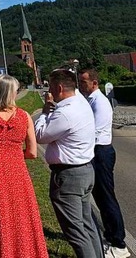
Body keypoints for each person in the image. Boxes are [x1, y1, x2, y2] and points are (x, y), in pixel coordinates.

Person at [0, 74, 48, 258]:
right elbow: (32, 152)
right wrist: (14, 155)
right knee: (22, 215)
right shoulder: (24, 116)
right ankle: (25, 251)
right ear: (11, 93)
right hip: (17, 170)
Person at [35, 69, 102, 258]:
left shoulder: (65, 112)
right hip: (85, 170)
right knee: (87, 224)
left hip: (68, 176)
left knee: (76, 232)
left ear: (58, 87)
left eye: (50, 86)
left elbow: (40, 135)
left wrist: (44, 112)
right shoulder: (81, 104)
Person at [78, 69, 130, 258]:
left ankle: (119, 243)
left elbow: (95, 132)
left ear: (94, 83)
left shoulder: (100, 102)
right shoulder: (89, 100)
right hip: (97, 152)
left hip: (101, 152)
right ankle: (111, 236)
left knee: (107, 198)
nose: (81, 85)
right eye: (80, 81)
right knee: (101, 198)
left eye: (84, 82)